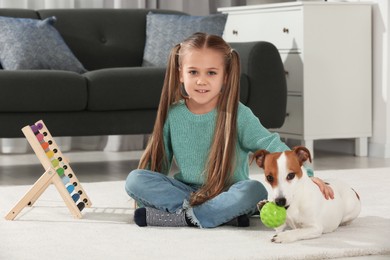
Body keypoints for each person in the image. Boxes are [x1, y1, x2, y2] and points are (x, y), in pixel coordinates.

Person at [125, 32, 333, 228]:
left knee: (254, 190)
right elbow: (157, 164)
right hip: (187, 193)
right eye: (193, 72)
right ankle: (218, 216)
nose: (201, 80)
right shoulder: (173, 115)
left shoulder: (238, 114)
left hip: (229, 193)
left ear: (225, 76)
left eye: (211, 73)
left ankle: (183, 218)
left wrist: (308, 175)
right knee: (135, 179)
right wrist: (145, 198)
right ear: (180, 74)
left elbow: (271, 145)